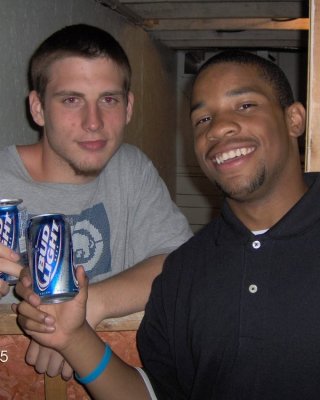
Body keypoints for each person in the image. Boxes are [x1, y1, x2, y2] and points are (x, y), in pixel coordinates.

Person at [15, 48, 314, 399]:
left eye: (245, 105)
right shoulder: (184, 270)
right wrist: (73, 337)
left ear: (294, 119)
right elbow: (155, 393)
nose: (219, 127)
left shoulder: (135, 177)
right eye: (203, 119)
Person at [0, 24, 192, 379]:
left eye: (109, 99)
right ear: (38, 108)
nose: (94, 123)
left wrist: (88, 307)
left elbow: (181, 265)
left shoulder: (131, 169)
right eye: (71, 100)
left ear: (129, 106)